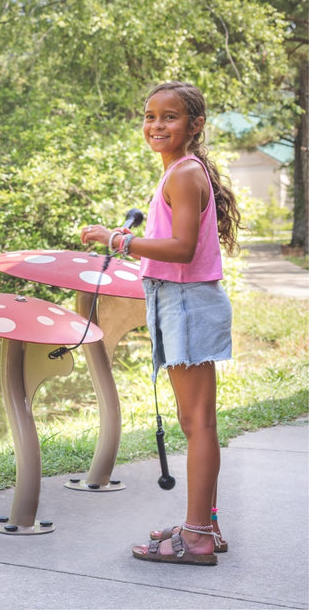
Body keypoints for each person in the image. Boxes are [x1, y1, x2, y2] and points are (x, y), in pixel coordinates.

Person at [80, 81, 241, 566]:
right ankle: (204, 525)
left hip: (187, 303)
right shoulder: (180, 173)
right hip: (182, 300)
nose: (155, 125)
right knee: (199, 424)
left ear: (195, 125)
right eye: (149, 116)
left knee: (197, 425)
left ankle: (195, 538)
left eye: (169, 117)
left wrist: (118, 241)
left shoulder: (183, 175)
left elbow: (184, 249)